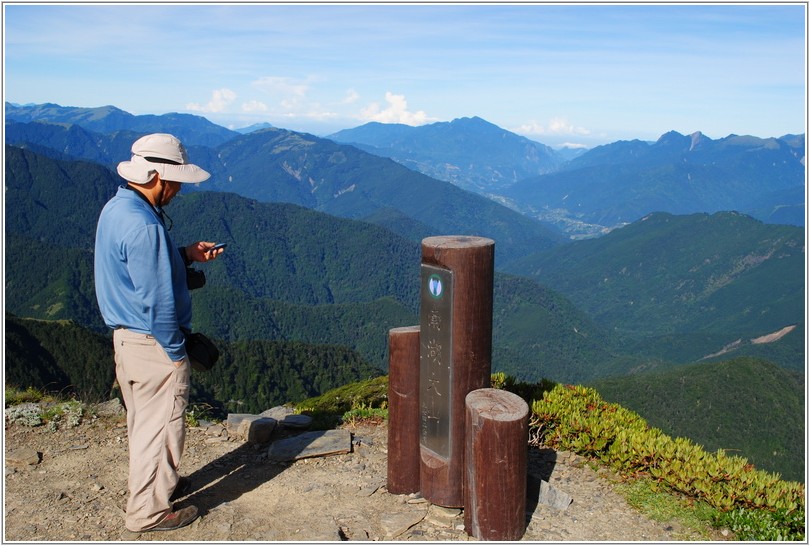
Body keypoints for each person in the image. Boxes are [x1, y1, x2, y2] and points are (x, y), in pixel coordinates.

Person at [94, 133, 224, 533]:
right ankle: (148, 513)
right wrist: (175, 351)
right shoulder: (144, 226)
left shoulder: (118, 209)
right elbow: (157, 301)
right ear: (157, 176)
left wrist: (184, 254)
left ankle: (159, 486)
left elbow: (136, 269)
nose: (179, 190)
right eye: (176, 181)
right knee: (161, 427)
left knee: (144, 424)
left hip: (127, 341)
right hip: (153, 346)